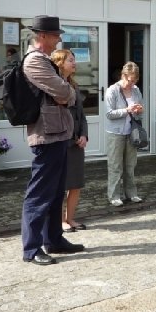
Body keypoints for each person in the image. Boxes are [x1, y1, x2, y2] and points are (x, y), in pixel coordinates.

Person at [20, 15, 85, 266]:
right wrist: (67, 93)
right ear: (43, 36)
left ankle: (54, 240)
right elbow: (63, 91)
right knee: (39, 195)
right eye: (56, 35)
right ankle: (32, 248)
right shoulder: (35, 61)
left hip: (58, 133)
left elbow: (66, 92)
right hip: (46, 135)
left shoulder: (46, 60)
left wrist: (67, 93)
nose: (59, 38)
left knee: (56, 191)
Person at [50, 48, 89, 233]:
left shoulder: (74, 86)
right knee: (60, 185)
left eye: (74, 60)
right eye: (70, 60)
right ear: (59, 63)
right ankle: (59, 222)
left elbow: (81, 115)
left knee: (75, 183)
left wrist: (84, 135)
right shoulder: (53, 85)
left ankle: (70, 218)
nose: (74, 63)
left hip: (76, 143)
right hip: (60, 141)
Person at [105, 61, 144, 206]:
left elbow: (139, 112)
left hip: (131, 132)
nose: (131, 83)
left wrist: (139, 110)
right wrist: (127, 110)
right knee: (115, 166)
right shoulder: (112, 90)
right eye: (129, 80)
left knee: (130, 165)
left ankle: (131, 194)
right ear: (123, 75)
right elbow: (109, 114)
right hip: (115, 133)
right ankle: (114, 196)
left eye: (134, 80)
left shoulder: (135, 90)